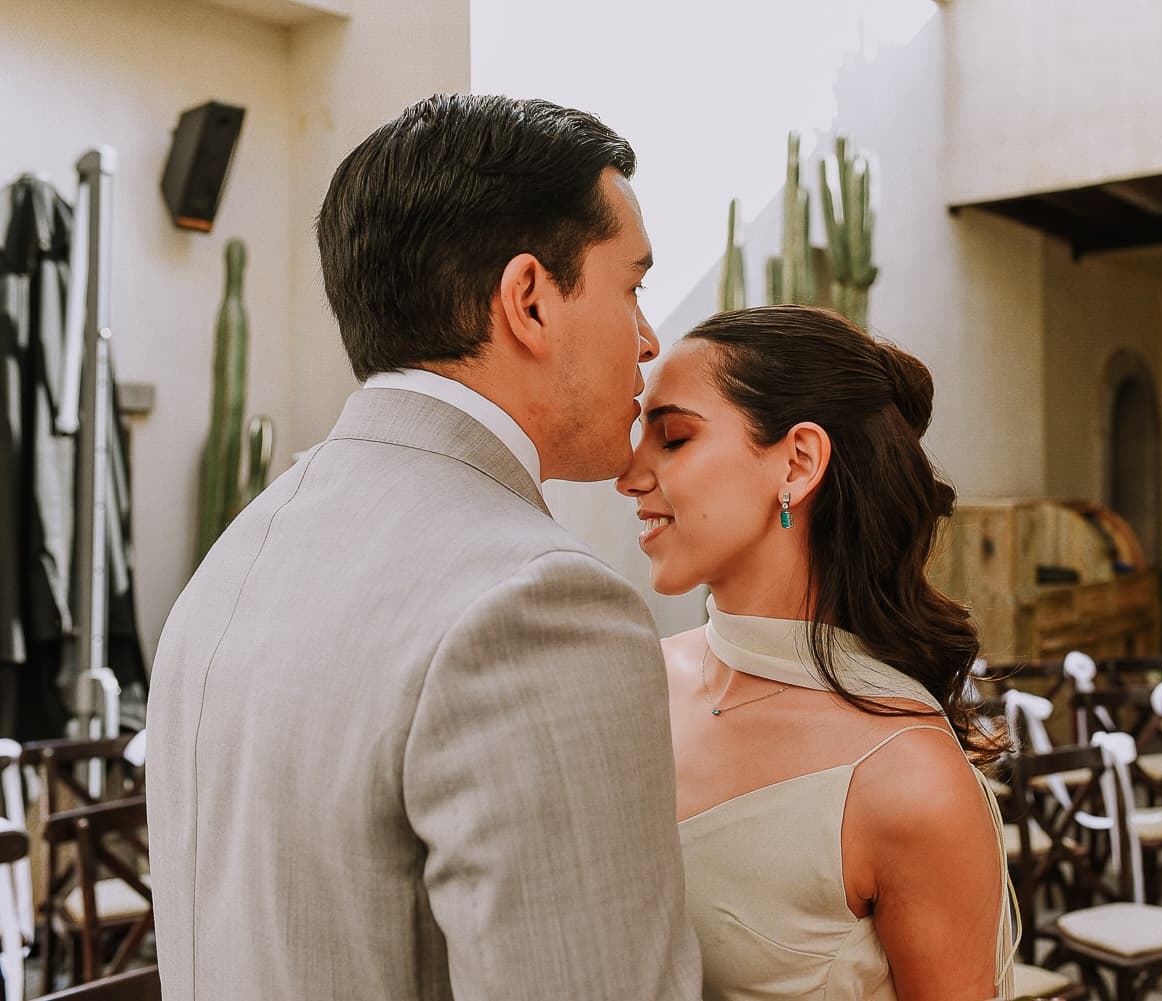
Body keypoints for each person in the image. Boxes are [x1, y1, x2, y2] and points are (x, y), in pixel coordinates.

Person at [147, 94, 701, 1000]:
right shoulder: (538, 603)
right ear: (528, 299)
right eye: (632, 286)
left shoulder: (241, 550)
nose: (647, 339)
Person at [616, 304, 1018, 1001]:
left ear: (797, 463)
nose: (630, 474)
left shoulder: (909, 781)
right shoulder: (638, 679)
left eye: (673, 437)